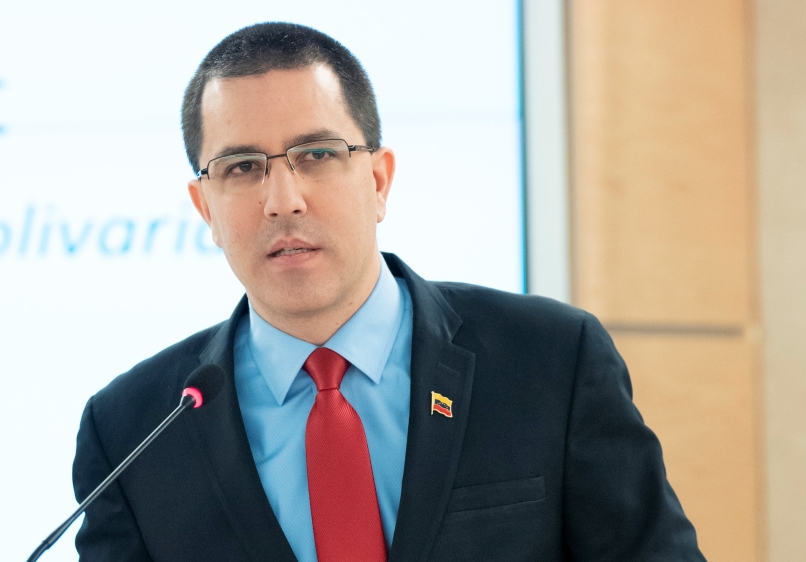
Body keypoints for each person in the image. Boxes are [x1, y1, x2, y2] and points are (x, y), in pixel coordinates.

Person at [72, 22, 705, 561]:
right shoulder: (132, 430)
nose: (282, 201)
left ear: (378, 180)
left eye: (316, 155)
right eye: (242, 168)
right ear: (203, 207)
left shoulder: (551, 360)